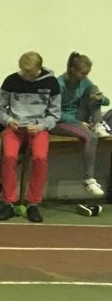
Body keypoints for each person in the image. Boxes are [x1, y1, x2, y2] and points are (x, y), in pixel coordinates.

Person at [0, 52, 60, 223]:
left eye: (30, 73)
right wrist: (9, 121)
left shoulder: (51, 83)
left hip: (38, 128)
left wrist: (41, 126)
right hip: (14, 127)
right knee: (9, 156)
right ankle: (8, 201)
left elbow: (55, 114)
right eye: (23, 71)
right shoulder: (11, 81)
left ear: (39, 68)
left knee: (40, 158)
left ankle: (33, 203)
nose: (26, 76)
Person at [53, 52, 107, 196]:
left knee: (93, 89)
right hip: (60, 121)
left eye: (87, 73)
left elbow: (107, 101)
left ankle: (98, 124)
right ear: (72, 70)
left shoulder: (85, 82)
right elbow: (54, 112)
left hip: (78, 118)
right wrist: (78, 122)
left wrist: (100, 98)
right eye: (83, 73)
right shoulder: (59, 84)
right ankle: (89, 180)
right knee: (91, 137)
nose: (85, 76)